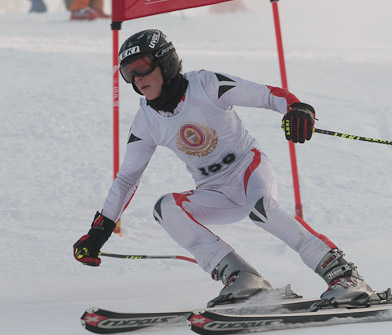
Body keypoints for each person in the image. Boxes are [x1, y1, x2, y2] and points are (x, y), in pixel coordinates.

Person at [73, 29, 375, 307]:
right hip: (214, 191)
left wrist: (298, 109)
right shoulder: (146, 120)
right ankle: (243, 278)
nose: (136, 78)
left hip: (248, 170)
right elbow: (127, 179)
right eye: (128, 72)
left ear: (165, 63)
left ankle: (345, 276)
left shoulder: (206, 84)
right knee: (166, 208)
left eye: (141, 66)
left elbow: (269, 95)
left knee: (263, 209)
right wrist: (99, 232)